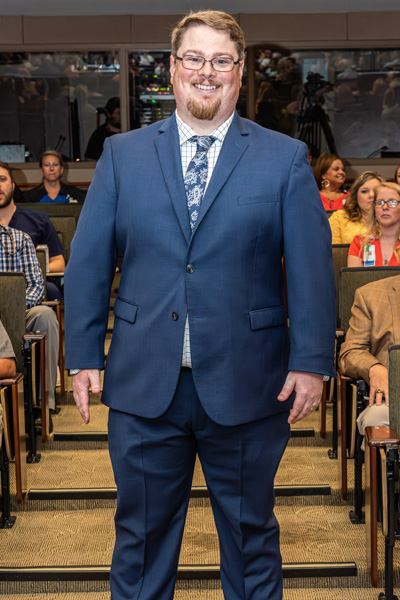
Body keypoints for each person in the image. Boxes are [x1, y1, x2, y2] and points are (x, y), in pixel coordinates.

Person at [65, 10, 336, 600]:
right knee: (139, 541)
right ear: (172, 68)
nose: (206, 73)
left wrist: (313, 362)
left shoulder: (284, 158)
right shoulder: (122, 155)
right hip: (143, 386)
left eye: (221, 61)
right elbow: (88, 264)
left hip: (249, 383)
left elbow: (313, 273)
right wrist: (83, 355)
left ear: (240, 74)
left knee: (251, 537)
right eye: (194, 58)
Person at [0, 223, 59, 411]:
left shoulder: (20, 240)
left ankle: (44, 403)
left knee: (45, 315)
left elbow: (36, 285)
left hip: (19, 313)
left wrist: (17, 308)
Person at [338, 275, 400, 437]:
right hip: (392, 399)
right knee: (376, 421)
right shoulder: (370, 296)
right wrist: (374, 369)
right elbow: (351, 352)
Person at [0, 161, 65, 300]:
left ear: (12, 186)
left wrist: (30, 270)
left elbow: (59, 264)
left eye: (2, 179)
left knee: (51, 290)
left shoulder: (39, 220)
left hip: (30, 286)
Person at [348, 181, 400, 267]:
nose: (385, 207)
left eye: (392, 202)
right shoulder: (360, 243)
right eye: (380, 203)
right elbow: (355, 280)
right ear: (374, 209)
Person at [329, 171, 383, 244]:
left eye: (376, 191)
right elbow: (334, 252)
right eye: (364, 191)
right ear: (355, 196)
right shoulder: (338, 217)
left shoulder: (394, 218)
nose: (371, 195)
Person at [84, 97, 121, 161]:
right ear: (109, 114)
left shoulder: (131, 131)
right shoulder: (99, 135)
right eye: (118, 113)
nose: (122, 116)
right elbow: (89, 159)